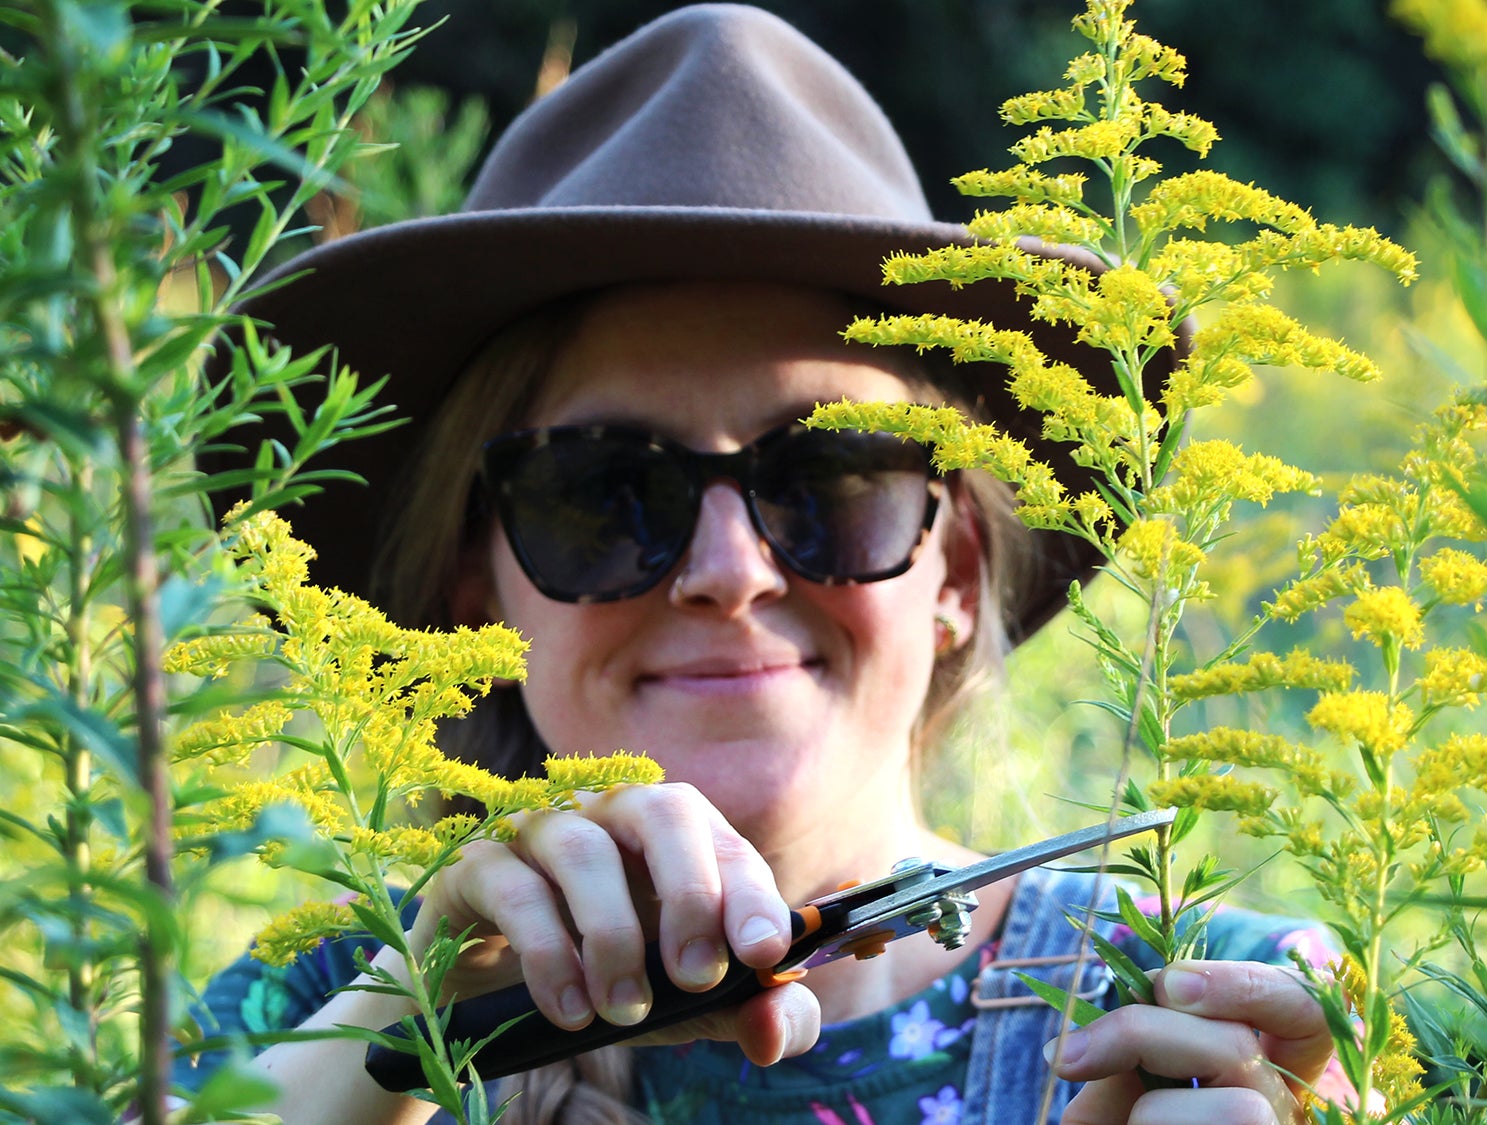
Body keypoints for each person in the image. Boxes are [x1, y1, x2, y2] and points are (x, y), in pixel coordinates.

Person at [183, 6, 1352, 1123]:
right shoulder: (311, 1023)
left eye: (835, 480)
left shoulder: (1224, 1025)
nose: (728, 572)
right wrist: (409, 1023)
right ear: (470, 590)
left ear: (952, 569)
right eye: (600, 492)